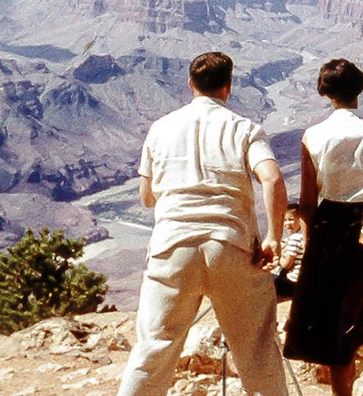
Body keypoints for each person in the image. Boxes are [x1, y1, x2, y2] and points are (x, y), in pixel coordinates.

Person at [116, 52, 288, 396]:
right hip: (232, 246)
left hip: (172, 246)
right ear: (228, 87)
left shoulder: (160, 128)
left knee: (153, 349)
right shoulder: (245, 129)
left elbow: (147, 197)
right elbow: (271, 179)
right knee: (256, 351)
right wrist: (273, 238)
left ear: (190, 84)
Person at [284, 59, 363, 396]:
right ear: (360, 90)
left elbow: (308, 202)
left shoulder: (313, 136)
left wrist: (312, 245)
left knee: (339, 323)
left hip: (332, 229)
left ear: (326, 93)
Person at [272, 202, 304, 299]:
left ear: (301, 220)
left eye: (291, 219)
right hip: (300, 281)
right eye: (285, 220)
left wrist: (278, 256)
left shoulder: (295, 238)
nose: (287, 224)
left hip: (293, 282)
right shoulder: (303, 236)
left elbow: (287, 264)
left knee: (269, 283)